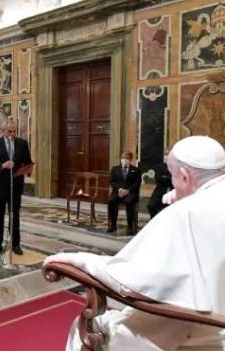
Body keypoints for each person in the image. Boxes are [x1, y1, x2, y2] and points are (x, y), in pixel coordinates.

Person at [45, 135, 225, 350]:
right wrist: (188, 195)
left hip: (199, 332)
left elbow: (133, 280)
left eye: (173, 176)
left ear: (185, 177)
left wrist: (79, 260)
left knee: (88, 327)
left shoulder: (183, 214)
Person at [0, 120, 33, 256]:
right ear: (3, 131)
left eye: (14, 131)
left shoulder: (22, 144)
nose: (12, 134)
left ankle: (16, 244)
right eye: (9, 131)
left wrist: (29, 169)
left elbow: (27, 161)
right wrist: (1, 165)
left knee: (15, 215)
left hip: (16, 185)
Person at [107, 151, 142, 235]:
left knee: (129, 201)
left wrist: (128, 190)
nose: (124, 159)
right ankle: (113, 224)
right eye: (123, 158)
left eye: (127, 158)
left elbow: (137, 183)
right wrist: (119, 190)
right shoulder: (115, 169)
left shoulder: (136, 170)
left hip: (131, 193)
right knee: (111, 200)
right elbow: (112, 181)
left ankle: (130, 226)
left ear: (131, 159)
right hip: (118, 192)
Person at [147, 147, 173, 218]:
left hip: (174, 191)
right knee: (151, 206)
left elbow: (178, 179)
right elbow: (159, 179)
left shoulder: (177, 166)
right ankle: (154, 223)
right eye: (165, 154)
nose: (166, 156)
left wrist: (165, 177)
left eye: (168, 154)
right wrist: (170, 178)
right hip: (160, 191)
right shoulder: (159, 166)